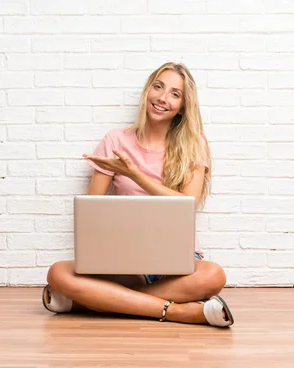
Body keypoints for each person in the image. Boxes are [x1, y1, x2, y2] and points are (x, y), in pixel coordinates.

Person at [42, 62, 234, 327]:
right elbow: (92, 213)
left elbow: (187, 205)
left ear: (183, 106)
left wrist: (134, 174)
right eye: (158, 87)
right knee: (58, 273)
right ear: (147, 91)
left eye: (175, 94)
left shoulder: (193, 143)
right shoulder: (115, 140)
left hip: (178, 263)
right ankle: (181, 312)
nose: (162, 98)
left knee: (213, 276)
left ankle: (95, 302)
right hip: (126, 264)